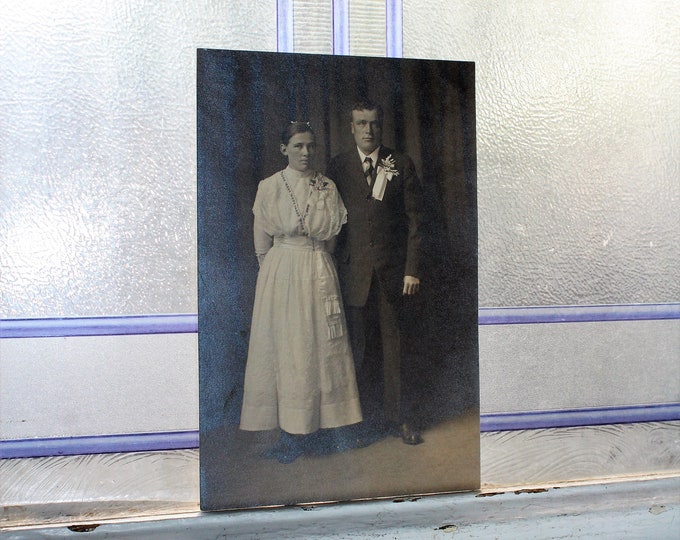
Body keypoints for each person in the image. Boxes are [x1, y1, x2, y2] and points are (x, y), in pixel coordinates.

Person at [240, 121, 362, 463]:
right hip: (282, 270)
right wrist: (275, 281)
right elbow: (261, 242)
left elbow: (332, 238)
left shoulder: (327, 186)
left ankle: (323, 427)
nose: (305, 153)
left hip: (317, 266)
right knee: (289, 349)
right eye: (298, 146)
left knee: (321, 348)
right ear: (284, 149)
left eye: (310, 146)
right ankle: (290, 433)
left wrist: (316, 261)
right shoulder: (269, 187)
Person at [326, 99, 424, 445]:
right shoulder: (337, 167)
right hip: (354, 276)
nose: (368, 130)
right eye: (361, 123)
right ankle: (362, 423)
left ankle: (402, 419)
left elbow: (416, 221)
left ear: (381, 127)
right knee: (359, 350)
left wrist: (412, 270)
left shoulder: (400, 163)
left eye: (374, 124)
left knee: (395, 349)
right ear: (351, 127)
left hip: (393, 275)